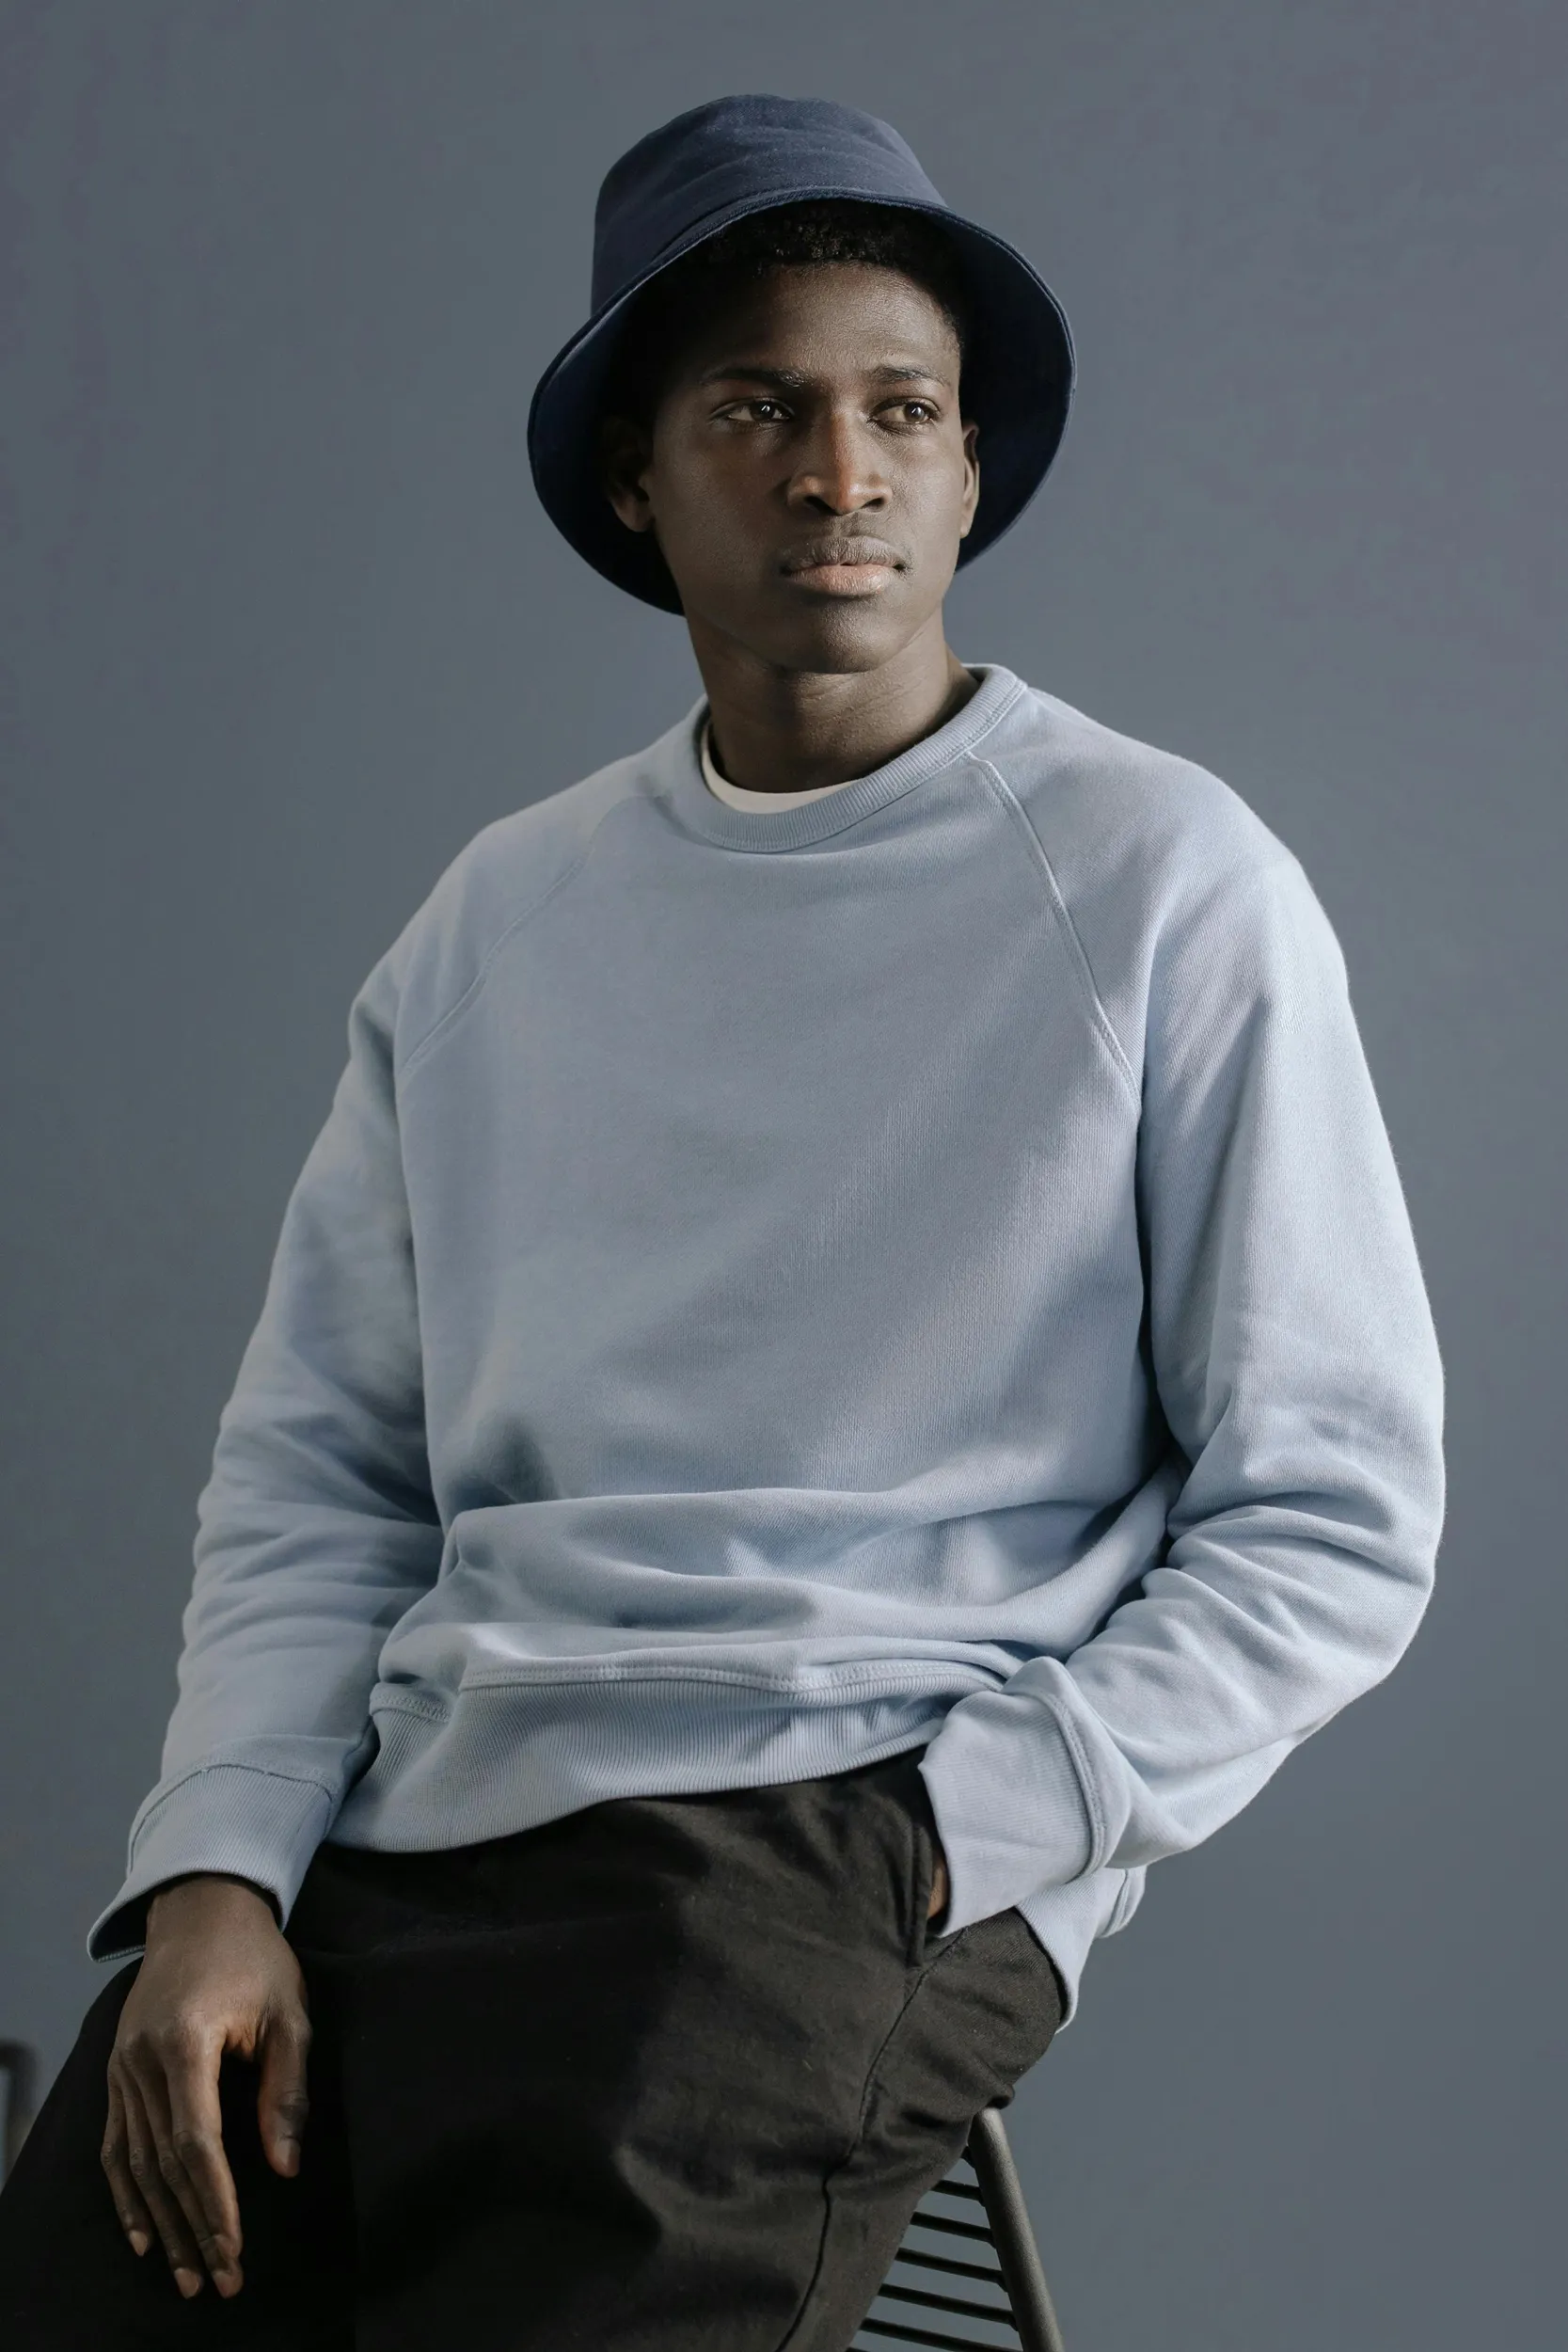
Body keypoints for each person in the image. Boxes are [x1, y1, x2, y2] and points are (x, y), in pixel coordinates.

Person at [0, 93, 1445, 2349]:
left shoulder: (1166, 885)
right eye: (759, 407)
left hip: (837, 1837)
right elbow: (323, 1473)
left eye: (900, 410)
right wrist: (212, 1869)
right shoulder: (493, 926)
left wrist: (967, 1821)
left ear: (966, 468)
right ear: (633, 476)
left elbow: (1333, 1504)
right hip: (411, 1827)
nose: (837, 473)